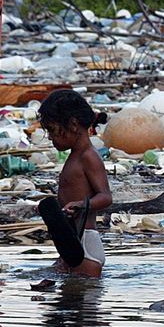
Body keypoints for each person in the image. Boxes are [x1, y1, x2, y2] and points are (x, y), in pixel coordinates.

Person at [38, 89, 112, 277]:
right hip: (72, 243)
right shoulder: (75, 156)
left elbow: (105, 197)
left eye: (52, 131)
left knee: (82, 301)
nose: (50, 137)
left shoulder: (89, 156)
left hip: (84, 244)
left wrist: (81, 205)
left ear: (72, 125)